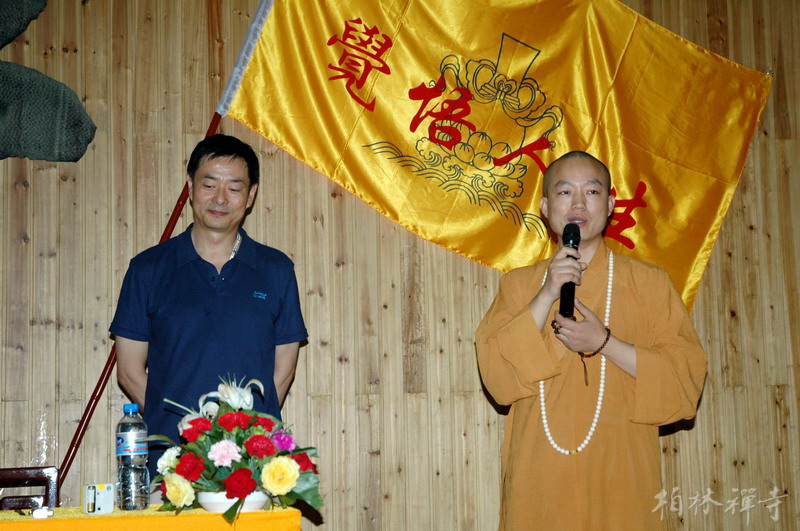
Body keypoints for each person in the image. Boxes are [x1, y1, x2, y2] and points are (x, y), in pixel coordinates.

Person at [475, 151, 707, 529]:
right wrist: (546, 294)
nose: (579, 204)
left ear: (611, 204)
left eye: (592, 192)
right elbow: (498, 379)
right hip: (539, 478)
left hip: (622, 477)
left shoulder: (649, 283)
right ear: (546, 207)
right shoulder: (518, 286)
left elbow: (686, 379)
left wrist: (604, 343)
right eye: (565, 192)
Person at [110, 134, 308, 480]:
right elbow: (128, 371)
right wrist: (190, 433)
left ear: (251, 195)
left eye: (234, 188)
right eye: (209, 184)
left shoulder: (276, 270)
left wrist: (241, 437)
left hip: (251, 465)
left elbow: (283, 370)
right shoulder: (147, 269)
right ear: (190, 187)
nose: (220, 198)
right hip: (170, 462)